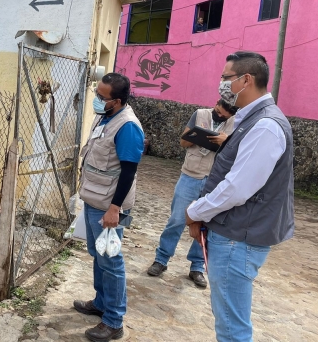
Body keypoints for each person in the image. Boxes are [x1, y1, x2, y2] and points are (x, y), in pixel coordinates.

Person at [186, 51, 294, 342]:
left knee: (232, 328)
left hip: (238, 240)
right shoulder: (251, 119)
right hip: (235, 234)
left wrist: (196, 211)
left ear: (246, 79)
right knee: (228, 321)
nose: (221, 84)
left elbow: (238, 187)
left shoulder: (266, 125)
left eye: (226, 78)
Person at [73, 73, 145, 342]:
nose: (96, 100)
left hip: (109, 208)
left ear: (116, 101)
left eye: (101, 97)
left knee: (111, 261)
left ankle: (114, 321)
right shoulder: (106, 116)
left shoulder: (127, 127)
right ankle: (101, 303)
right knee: (98, 255)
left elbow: (128, 171)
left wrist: (114, 209)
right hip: (95, 200)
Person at [147, 99, 237, 288]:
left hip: (215, 181)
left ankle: (197, 267)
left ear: (232, 113)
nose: (219, 115)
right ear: (217, 103)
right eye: (218, 110)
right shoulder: (200, 114)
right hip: (190, 176)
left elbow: (239, 152)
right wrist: (197, 137)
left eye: (224, 114)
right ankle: (161, 259)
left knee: (205, 225)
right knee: (177, 219)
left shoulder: (237, 123)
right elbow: (183, 141)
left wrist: (225, 141)